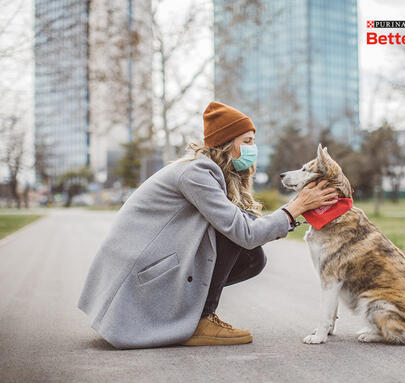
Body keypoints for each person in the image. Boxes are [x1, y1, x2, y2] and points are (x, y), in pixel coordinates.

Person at [77, 101, 339, 349]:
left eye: (254, 142)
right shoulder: (196, 174)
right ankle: (200, 318)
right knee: (232, 235)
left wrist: (297, 214)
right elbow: (243, 232)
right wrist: (294, 207)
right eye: (247, 141)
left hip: (147, 269)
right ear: (226, 143)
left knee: (252, 258)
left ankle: (190, 313)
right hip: (135, 280)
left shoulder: (207, 172)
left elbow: (247, 226)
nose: (252, 148)